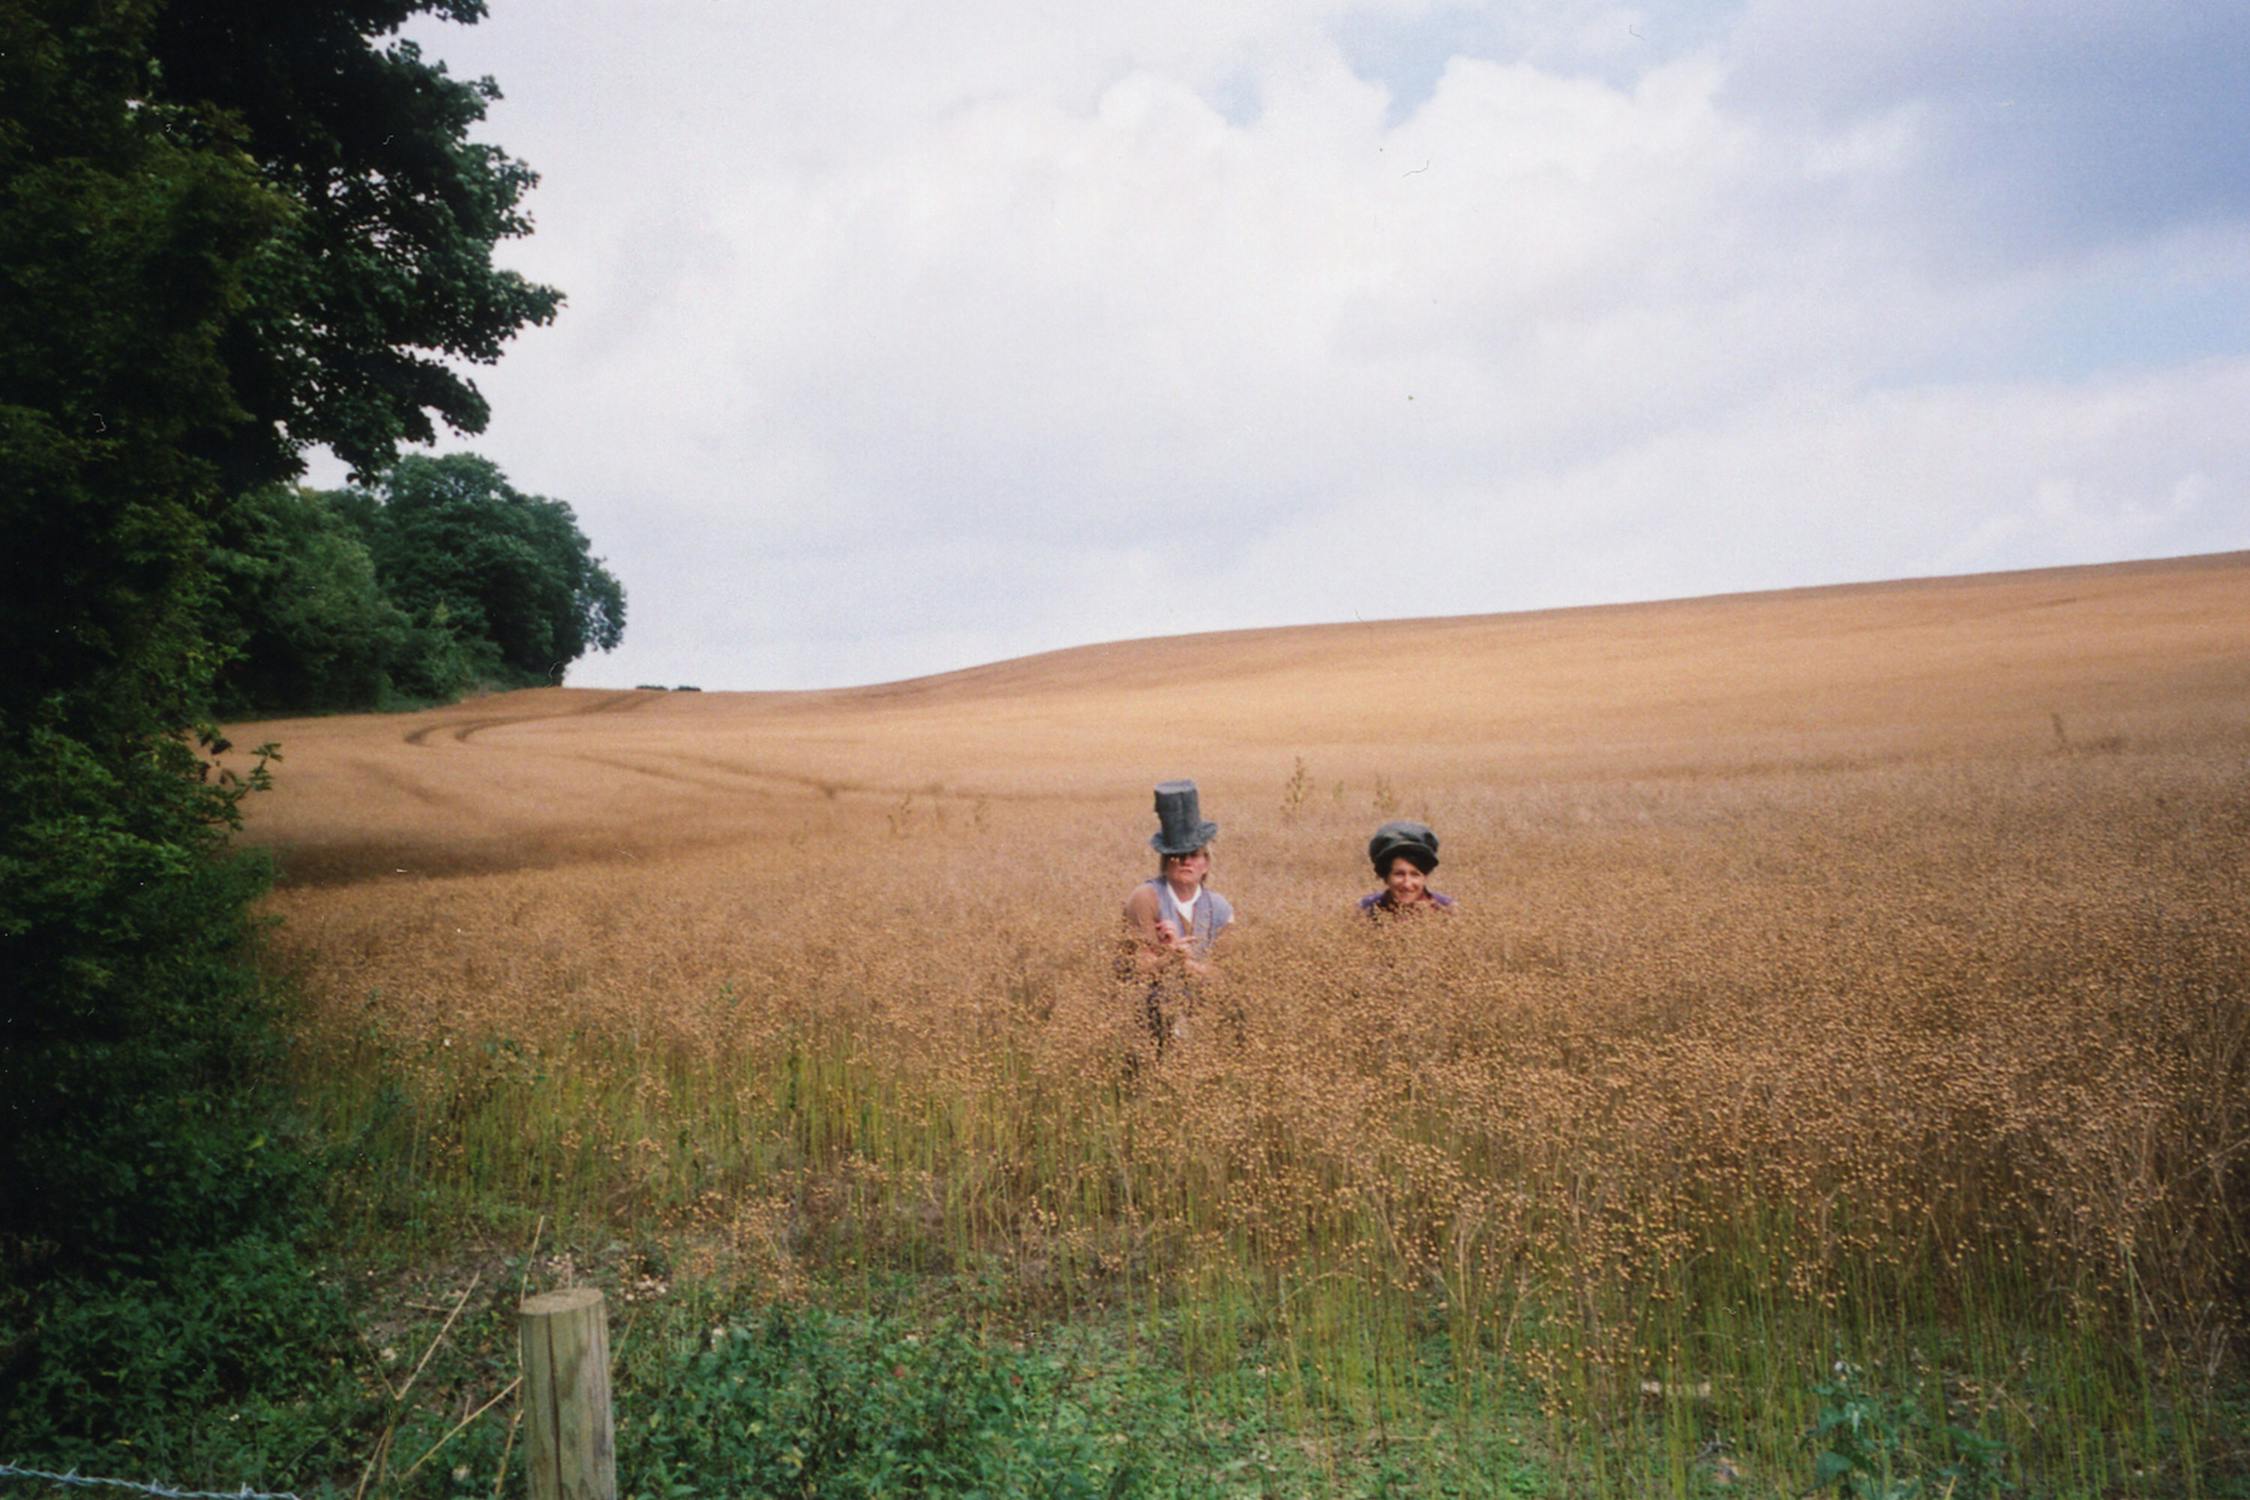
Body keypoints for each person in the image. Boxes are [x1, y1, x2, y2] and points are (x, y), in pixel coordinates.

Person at [1122, 780, 1234, 1049]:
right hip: (1151, 1023)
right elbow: (1133, 970)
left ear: (1206, 863)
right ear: (1165, 860)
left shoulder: (1220, 909)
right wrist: (1169, 959)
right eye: (1177, 855)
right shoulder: (1145, 898)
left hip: (1203, 1018)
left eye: (1193, 854)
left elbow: (1227, 975)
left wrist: (1184, 965)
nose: (1185, 861)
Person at [1359, 819, 1456, 918]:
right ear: (1385, 877)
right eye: (1399, 874)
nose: (1407, 884)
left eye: (1415, 874)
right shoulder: (1366, 910)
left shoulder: (1447, 910)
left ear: (1425, 876)